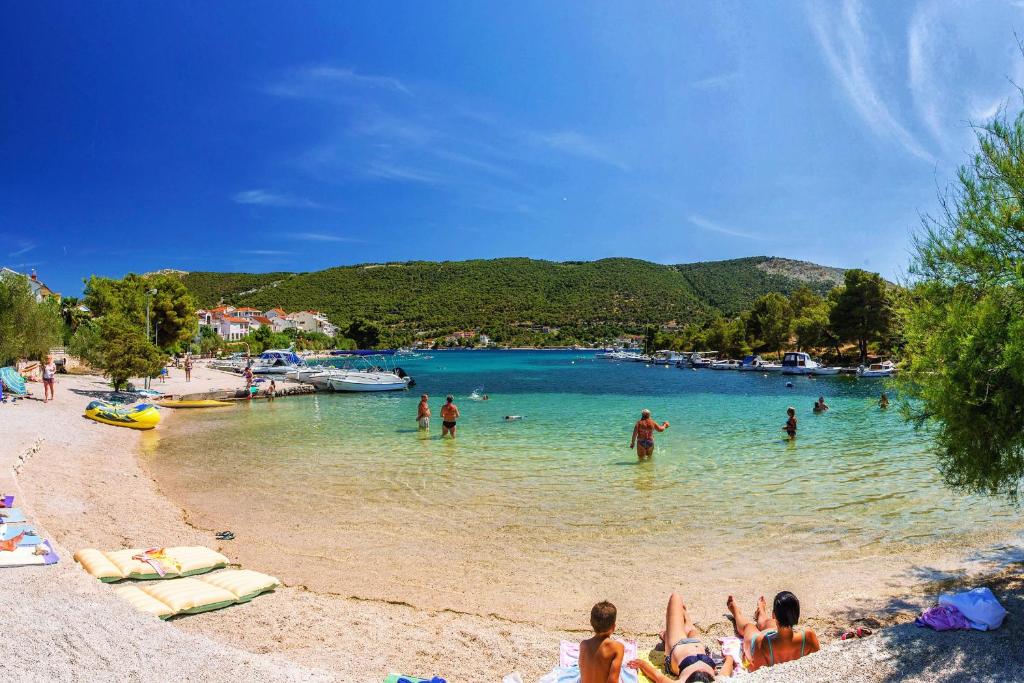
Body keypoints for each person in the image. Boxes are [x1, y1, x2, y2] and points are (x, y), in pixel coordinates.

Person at [627, 593, 733, 683]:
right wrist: (729, 657)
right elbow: (728, 664)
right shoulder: (719, 681)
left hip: (677, 644)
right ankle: (682, 620)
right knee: (691, 630)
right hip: (696, 643)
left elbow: (658, 678)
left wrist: (641, 663)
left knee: (675, 597)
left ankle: (669, 634)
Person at [726, 592, 819, 673]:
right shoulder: (809, 637)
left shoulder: (761, 643)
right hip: (774, 635)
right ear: (797, 614)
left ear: (774, 614)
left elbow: (753, 669)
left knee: (748, 627)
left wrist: (744, 657)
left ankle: (736, 612)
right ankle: (761, 611)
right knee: (769, 623)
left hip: (766, 642)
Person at [579, 601, 624, 683]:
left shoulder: (584, 645)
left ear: (591, 623)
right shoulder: (618, 647)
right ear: (613, 627)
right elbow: (613, 681)